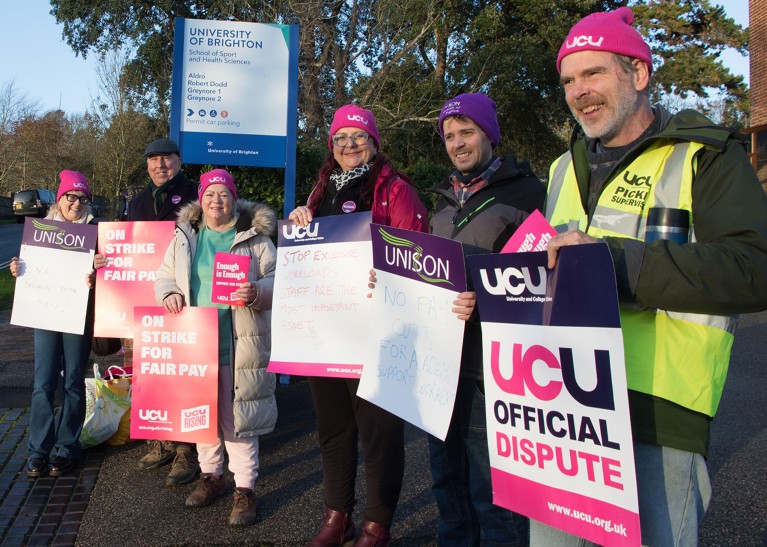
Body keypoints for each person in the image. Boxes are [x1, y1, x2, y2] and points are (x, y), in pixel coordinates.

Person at [537, 7, 767, 545]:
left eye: (593, 73)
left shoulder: (705, 155)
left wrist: (612, 264)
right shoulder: (558, 169)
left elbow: (754, 268)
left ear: (638, 74)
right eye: (569, 80)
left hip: (659, 415)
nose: (579, 91)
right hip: (558, 409)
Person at [289, 104, 429, 547]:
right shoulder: (320, 190)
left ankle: (376, 524)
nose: (350, 145)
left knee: (379, 433)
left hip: (377, 329)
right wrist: (298, 221)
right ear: (331, 146)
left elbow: (416, 255)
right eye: (341, 138)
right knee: (333, 428)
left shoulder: (396, 190)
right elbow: (307, 254)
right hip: (325, 329)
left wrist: (385, 272)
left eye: (359, 137)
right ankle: (337, 516)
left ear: (374, 143)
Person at [424, 93, 545, 546]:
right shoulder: (439, 198)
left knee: (493, 488)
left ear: (489, 134)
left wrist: (487, 300)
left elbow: (541, 285)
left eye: (467, 132)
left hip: (492, 369)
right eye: (450, 135)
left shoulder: (528, 193)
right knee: (445, 475)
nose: (457, 143)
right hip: (440, 365)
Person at [155, 168, 277, 526]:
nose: (216, 201)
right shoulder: (185, 236)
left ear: (234, 199)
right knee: (203, 420)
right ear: (200, 199)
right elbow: (162, 275)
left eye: (223, 194)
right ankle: (211, 477)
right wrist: (170, 292)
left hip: (240, 345)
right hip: (198, 346)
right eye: (210, 194)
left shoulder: (255, 238)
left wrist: (257, 292)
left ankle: (245, 489)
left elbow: (279, 280)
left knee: (237, 422)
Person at [10, 170, 107, 478]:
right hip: (46, 314)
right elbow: (32, 267)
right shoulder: (43, 229)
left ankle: (67, 447)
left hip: (80, 313)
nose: (76, 203)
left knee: (74, 381)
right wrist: (17, 268)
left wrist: (97, 272)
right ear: (60, 197)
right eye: (71, 197)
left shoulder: (97, 231)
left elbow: (114, 271)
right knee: (43, 382)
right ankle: (37, 450)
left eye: (82, 198)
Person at [129, 138, 199, 486]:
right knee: (153, 369)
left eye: (166, 159)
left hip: (182, 297)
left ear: (178, 161)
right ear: (147, 165)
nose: (160, 165)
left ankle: (186, 448)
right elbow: (127, 246)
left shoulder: (196, 194)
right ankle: (162, 440)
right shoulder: (138, 201)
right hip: (145, 299)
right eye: (153, 160)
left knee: (182, 373)